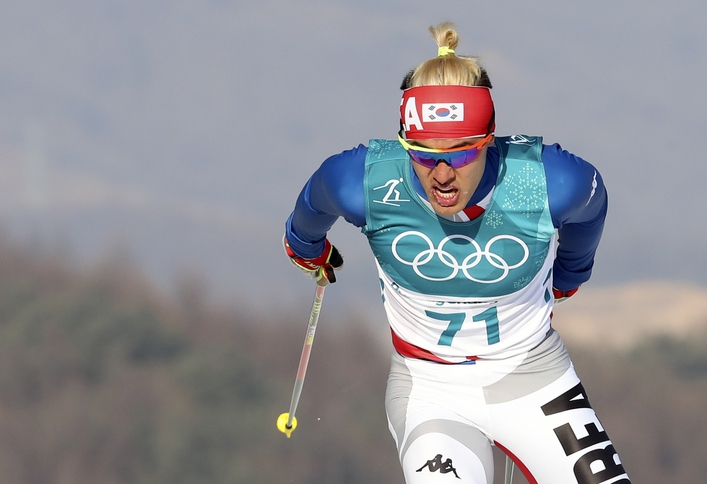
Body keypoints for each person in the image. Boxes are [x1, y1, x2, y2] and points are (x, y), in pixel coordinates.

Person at [283, 22, 631, 484]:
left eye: (462, 153)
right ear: (404, 144)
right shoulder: (362, 181)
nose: (442, 173)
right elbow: (311, 206)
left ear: (490, 140)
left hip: (536, 380)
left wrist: (571, 272)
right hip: (431, 391)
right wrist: (307, 249)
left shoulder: (546, 181)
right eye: (423, 154)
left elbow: (594, 204)